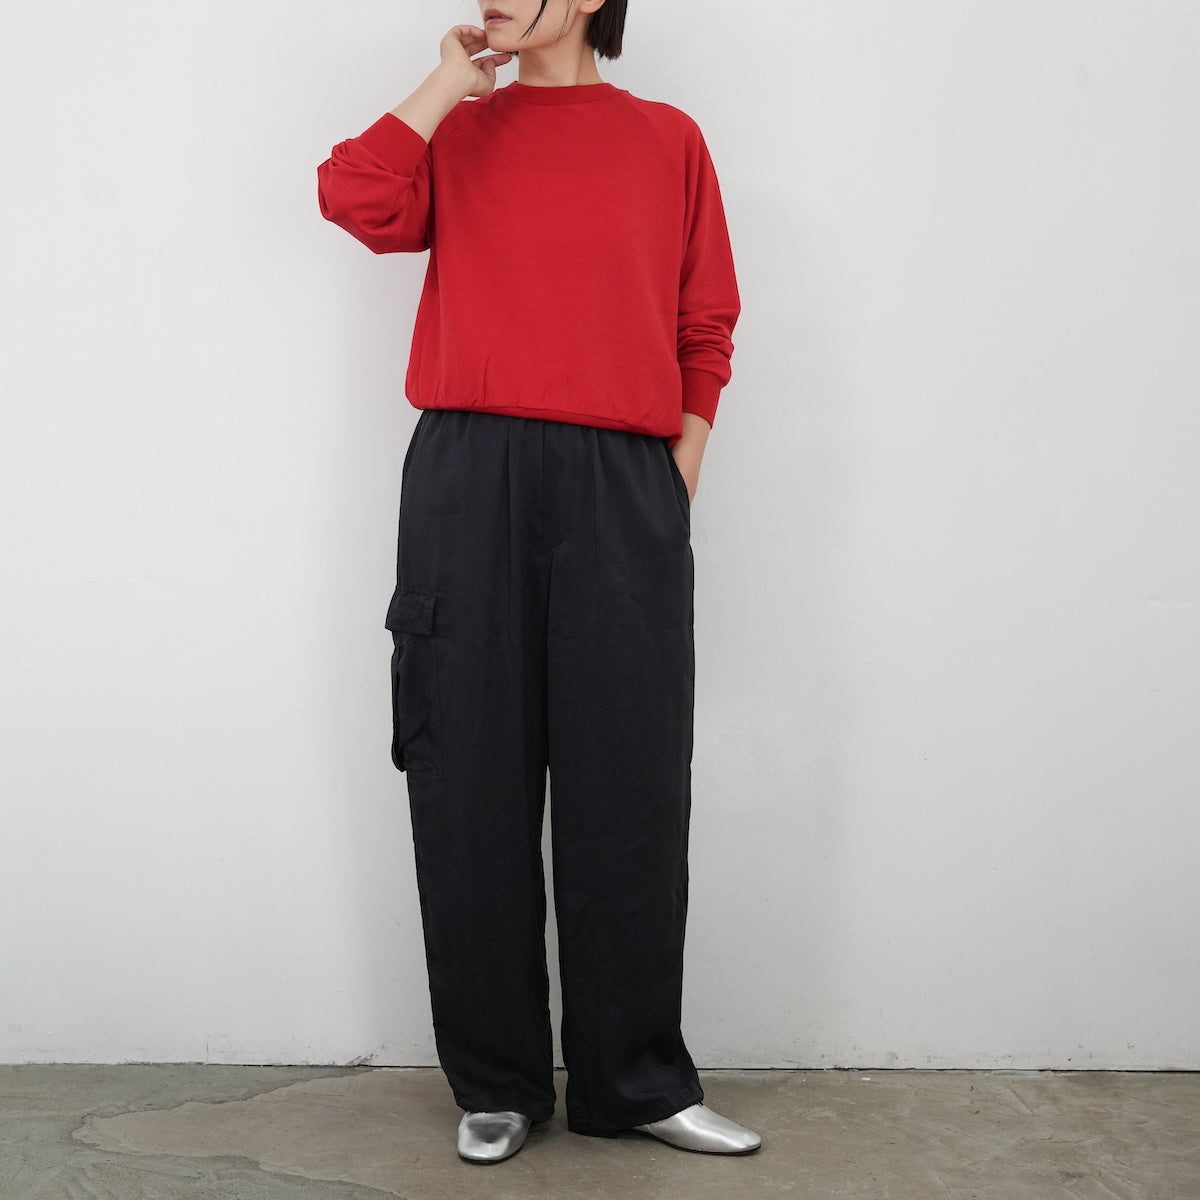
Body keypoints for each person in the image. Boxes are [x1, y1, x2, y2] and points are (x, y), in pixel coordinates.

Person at [316, 0, 757, 1165]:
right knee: (466, 773)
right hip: (471, 474)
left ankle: (634, 1079)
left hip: (624, 480)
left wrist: (673, 475)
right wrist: (444, 86)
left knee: (631, 783)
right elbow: (354, 197)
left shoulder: (667, 140)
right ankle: (498, 1082)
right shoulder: (457, 132)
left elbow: (705, 316)